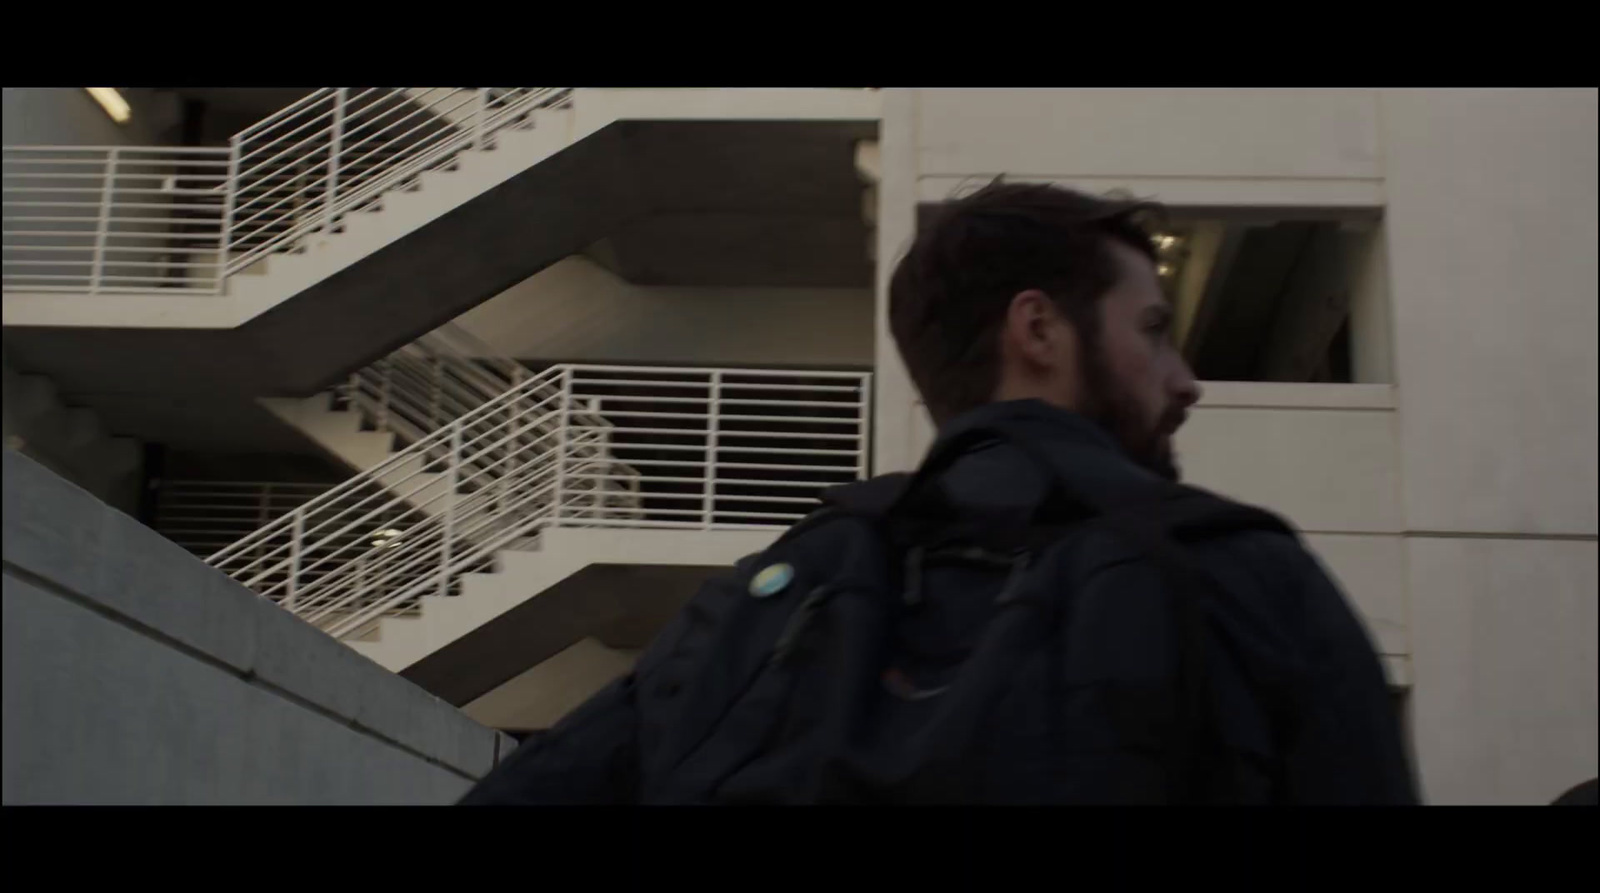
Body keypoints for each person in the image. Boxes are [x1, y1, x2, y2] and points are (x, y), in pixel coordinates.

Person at [459, 179, 1419, 805]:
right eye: (1157, 330)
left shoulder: (753, 606)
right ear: (1037, 329)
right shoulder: (1242, 576)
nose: (1187, 380)